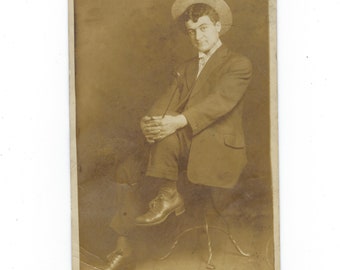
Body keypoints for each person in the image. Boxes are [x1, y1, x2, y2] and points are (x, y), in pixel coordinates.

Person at [103, 1, 252, 269]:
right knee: (128, 163)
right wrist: (149, 122)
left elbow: (219, 102)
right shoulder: (185, 67)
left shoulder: (238, 64)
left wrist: (176, 122)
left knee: (167, 137)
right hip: (182, 143)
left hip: (217, 147)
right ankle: (123, 244)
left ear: (218, 27)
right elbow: (166, 101)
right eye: (192, 31)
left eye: (204, 28)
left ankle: (169, 194)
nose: (198, 37)